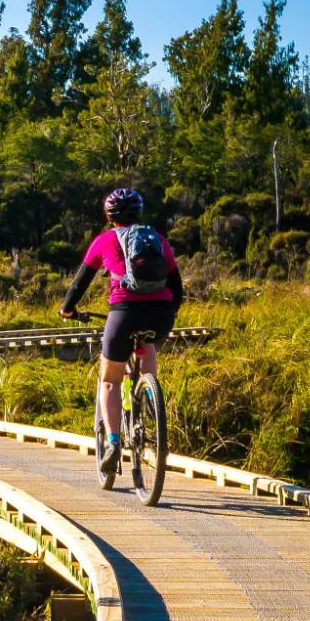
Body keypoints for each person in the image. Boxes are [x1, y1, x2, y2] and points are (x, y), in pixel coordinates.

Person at [57, 189, 184, 475]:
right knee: (147, 343)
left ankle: (113, 442)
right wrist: (168, 312)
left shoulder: (103, 241)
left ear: (108, 216)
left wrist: (67, 310)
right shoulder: (157, 239)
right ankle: (150, 400)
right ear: (139, 213)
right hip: (161, 313)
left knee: (111, 381)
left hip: (124, 313)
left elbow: (79, 284)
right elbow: (177, 287)